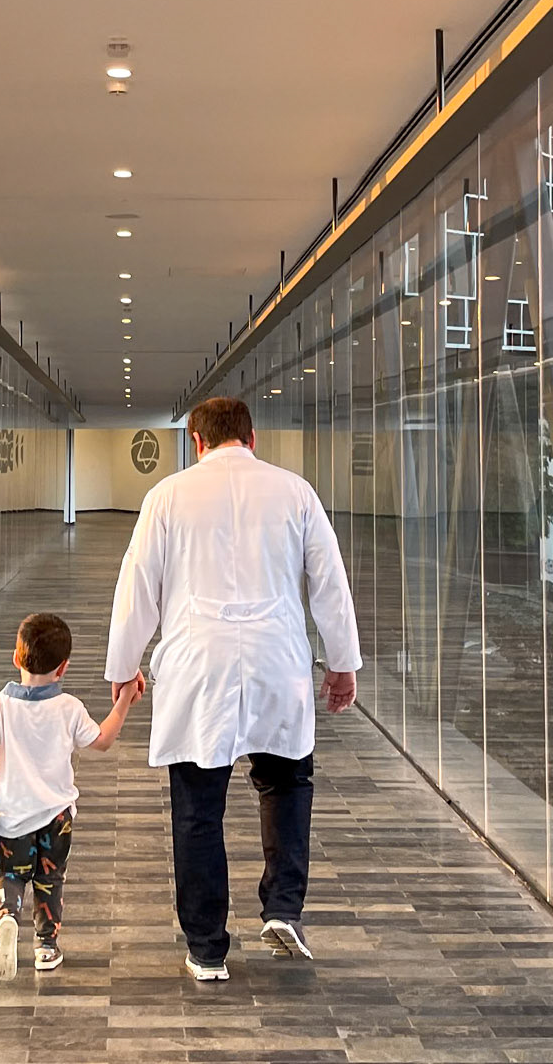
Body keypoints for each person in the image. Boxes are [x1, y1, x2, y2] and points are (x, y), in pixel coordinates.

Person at [104, 396, 361, 982]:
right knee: (287, 783)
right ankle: (283, 908)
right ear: (252, 437)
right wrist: (342, 663)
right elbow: (330, 581)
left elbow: (137, 584)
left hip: (200, 665)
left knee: (198, 809)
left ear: (196, 441)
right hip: (278, 661)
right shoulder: (295, 492)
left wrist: (123, 665)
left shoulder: (167, 495)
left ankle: (207, 949)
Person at [0, 611, 140, 980]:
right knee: (50, 879)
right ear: (63, 668)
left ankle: (8, 916)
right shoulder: (69, 708)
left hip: (13, 815)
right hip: (58, 817)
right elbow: (102, 740)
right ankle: (46, 946)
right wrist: (124, 700)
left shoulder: (0, 706)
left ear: (16, 657)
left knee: (10, 873)